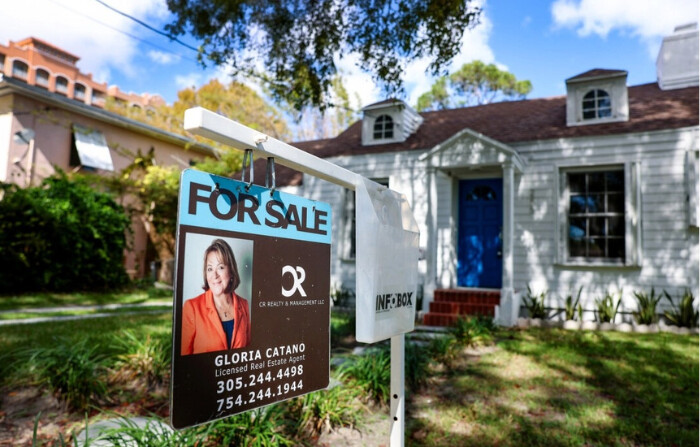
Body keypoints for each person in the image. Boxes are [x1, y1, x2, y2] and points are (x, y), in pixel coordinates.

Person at [181, 238, 251, 355]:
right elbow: (183, 362)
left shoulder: (244, 305)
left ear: (231, 271)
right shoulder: (192, 308)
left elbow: (248, 353)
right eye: (209, 269)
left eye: (221, 267)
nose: (214, 275)